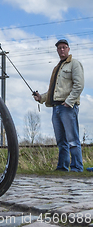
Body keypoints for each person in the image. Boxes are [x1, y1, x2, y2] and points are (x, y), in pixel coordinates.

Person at [33, 39, 84, 172]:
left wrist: (69, 101)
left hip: (68, 107)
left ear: (68, 49)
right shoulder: (57, 68)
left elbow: (79, 85)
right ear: (57, 50)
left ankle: (77, 167)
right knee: (61, 141)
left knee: (72, 139)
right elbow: (53, 91)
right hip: (56, 108)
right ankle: (62, 167)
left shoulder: (74, 64)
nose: (61, 50)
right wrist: (41, 98)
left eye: (64, 47)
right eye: (59, 48)